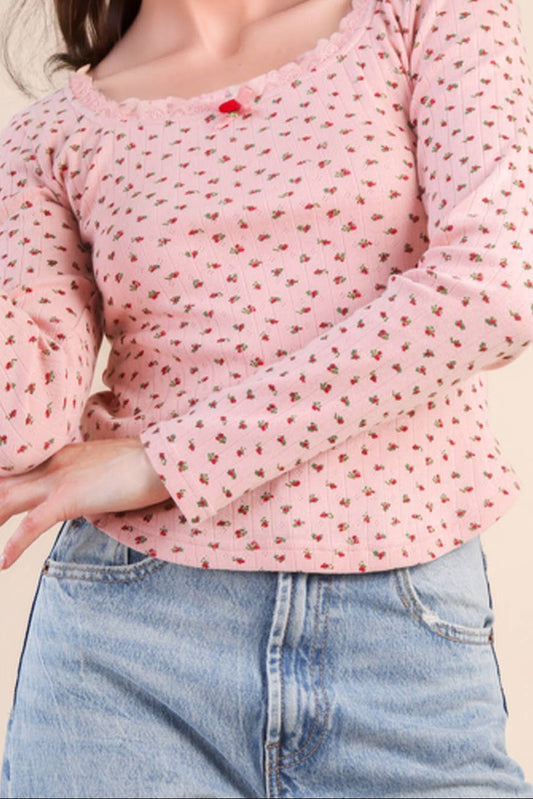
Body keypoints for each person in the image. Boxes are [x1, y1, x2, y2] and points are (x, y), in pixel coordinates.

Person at [0, 0, 532, 796]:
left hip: (402, 641)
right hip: (124, 646)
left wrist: (169, 459)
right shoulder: (50, 135)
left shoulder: (431, 15)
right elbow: (23, 426)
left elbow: (495, 290)